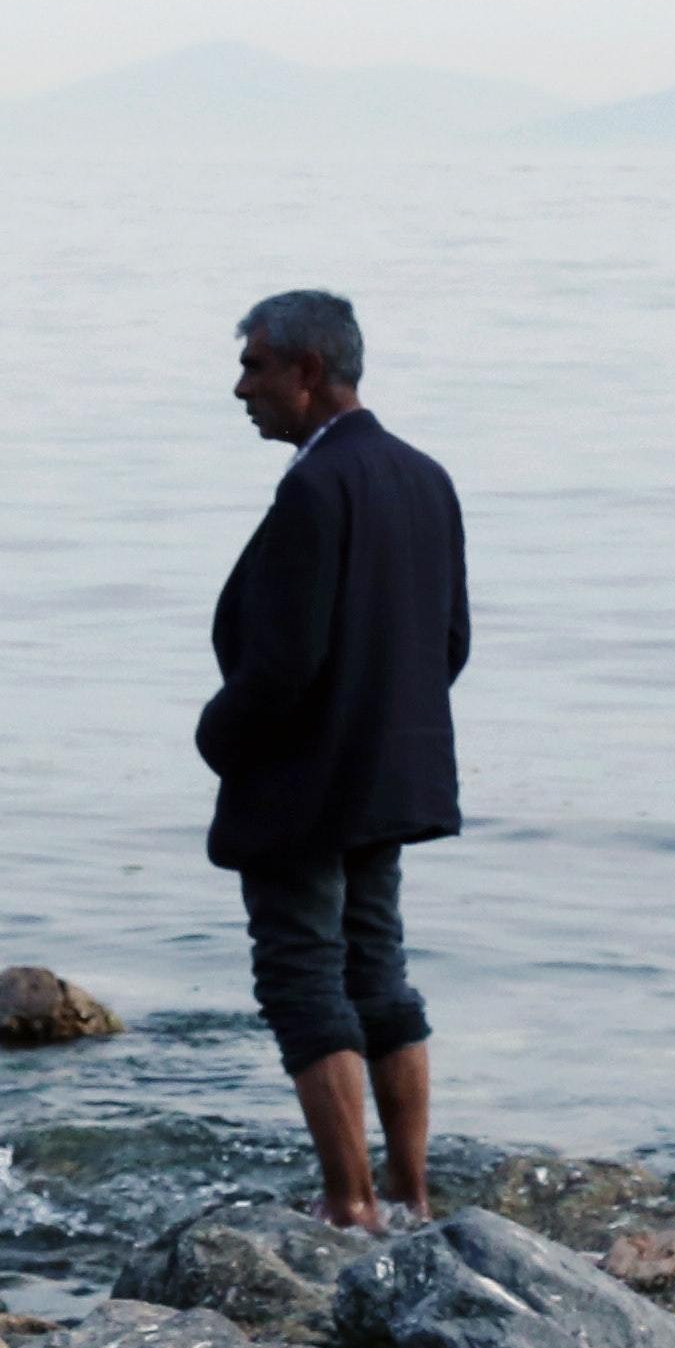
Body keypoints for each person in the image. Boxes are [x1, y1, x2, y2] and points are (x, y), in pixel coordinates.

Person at [198, 287, 469, 1231]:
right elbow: (450, 646)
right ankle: (412, 1194)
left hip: (304, 787)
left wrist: (216, 734)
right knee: (378, 973)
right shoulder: (425, 477)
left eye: (255, 367)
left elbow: (284, 666)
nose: (241, 389)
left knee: (304, 977)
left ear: (308, 372)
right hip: (388, 778)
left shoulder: (315, 487)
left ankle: (350, 1205)